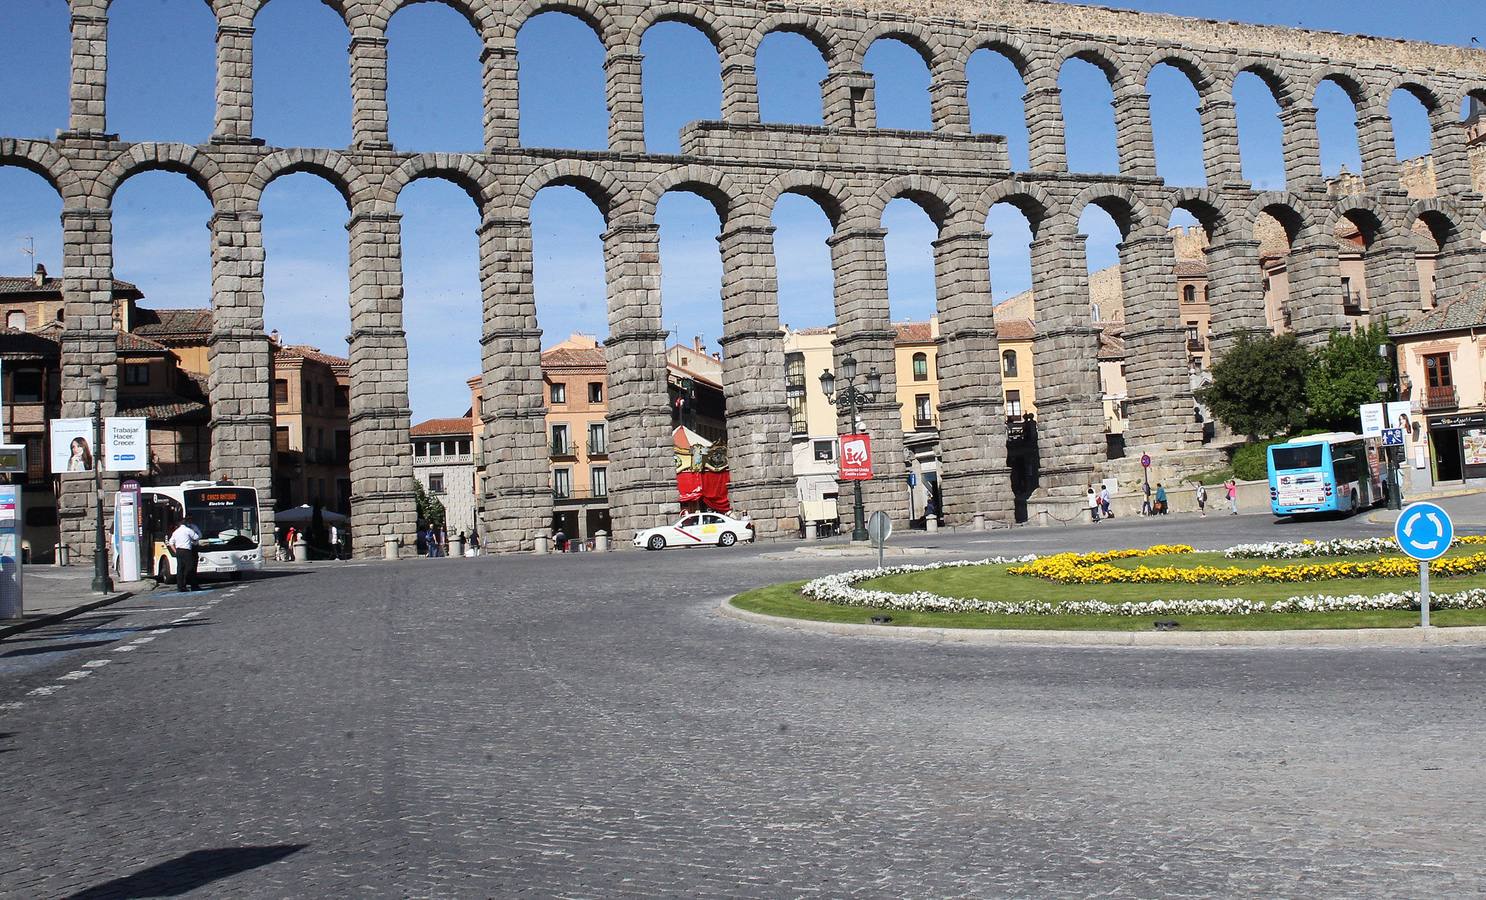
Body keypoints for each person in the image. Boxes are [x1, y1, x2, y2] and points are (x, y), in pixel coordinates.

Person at [168, 515, 203, 592]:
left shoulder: (176, 532)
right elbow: (196, 537)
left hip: (179, 551)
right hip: (187, 551)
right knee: (191, 568)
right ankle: (193, 585)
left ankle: (181, 587)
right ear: (186, 523)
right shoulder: (188, 530)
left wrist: (175, 551)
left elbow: (171, 543)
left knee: (180, 569)